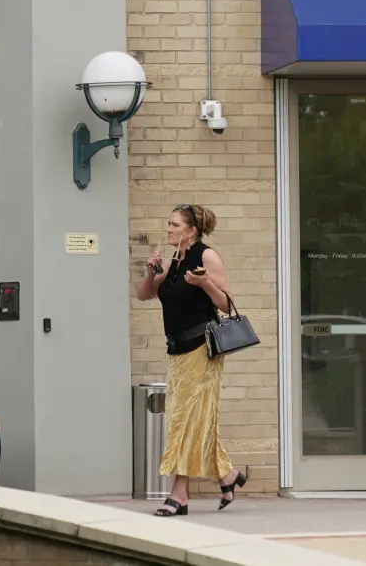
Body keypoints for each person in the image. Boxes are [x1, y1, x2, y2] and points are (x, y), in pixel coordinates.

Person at [136, 203, 247, 517]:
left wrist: (205, 283)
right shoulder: (174, 260)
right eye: (168, 224)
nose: (169, 229)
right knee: (193, 420)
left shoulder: (206, 256)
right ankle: (227, 475)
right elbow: (144, 295)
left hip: (201, 349)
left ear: (192, 230)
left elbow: (227, 304)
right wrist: (151, 271)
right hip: (178, 352)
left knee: (182, 421)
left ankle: (180, 494)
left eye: (175, 225)